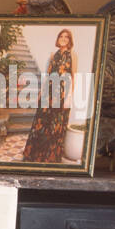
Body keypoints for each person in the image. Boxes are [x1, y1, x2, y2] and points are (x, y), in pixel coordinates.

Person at [22, 27, 76, 163]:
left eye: (66, 37)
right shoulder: (53, 55)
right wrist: (41, 92)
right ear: (58, 39)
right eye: (61, 36)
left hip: (62, 94)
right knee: (42, 123)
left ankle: (50, 157)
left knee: (55, 125)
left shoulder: (72, 55)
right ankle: (35, 155)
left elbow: (73, 77)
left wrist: (69, 96)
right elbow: (48, 75)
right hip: (48, 93)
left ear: (69, 40)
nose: (63, 39)